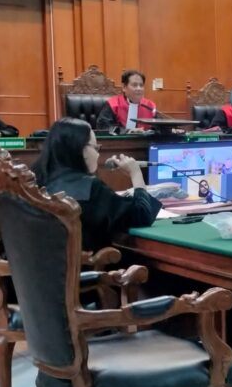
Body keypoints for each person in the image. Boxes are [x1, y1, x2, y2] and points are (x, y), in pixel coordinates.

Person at [32, 117, 162, 252]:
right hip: (88, 263)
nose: (98, 154)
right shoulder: (90, 188)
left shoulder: (35, 181)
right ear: (82, 150)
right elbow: (142, 215)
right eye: (95, 147)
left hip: (41, 264)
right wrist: (135, 173)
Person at [96, 70, 157, 134]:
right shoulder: (113, 104)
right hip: (120, 140)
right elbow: (103, 127)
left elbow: (157, 129)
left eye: (141, 85)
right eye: (134, 85)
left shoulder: (150, 106)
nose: (139, 88)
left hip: (145, 140)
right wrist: (127, 131)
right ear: (124, 87)